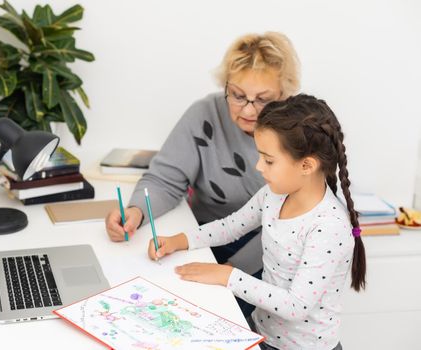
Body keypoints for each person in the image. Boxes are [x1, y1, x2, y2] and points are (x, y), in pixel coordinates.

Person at [146, 94, 366, 350]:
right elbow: (230, 227)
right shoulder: (274, 195)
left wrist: (228, 276)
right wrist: (179, 241)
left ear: (306, 165)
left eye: (269, 160)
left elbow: (296, 305)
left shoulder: (328, 226)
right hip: (262, 333)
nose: (259, 166)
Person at [105, 32, 301, 316]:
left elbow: (289, 228)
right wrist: (135, 213)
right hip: (208, 235)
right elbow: (165, 180)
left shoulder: (300, 131)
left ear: (284, 93)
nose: (248, 109)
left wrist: (229, 272)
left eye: (262, 99)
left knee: (211, 315)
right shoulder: (204, 114)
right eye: (237, 95)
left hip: (270, 251)